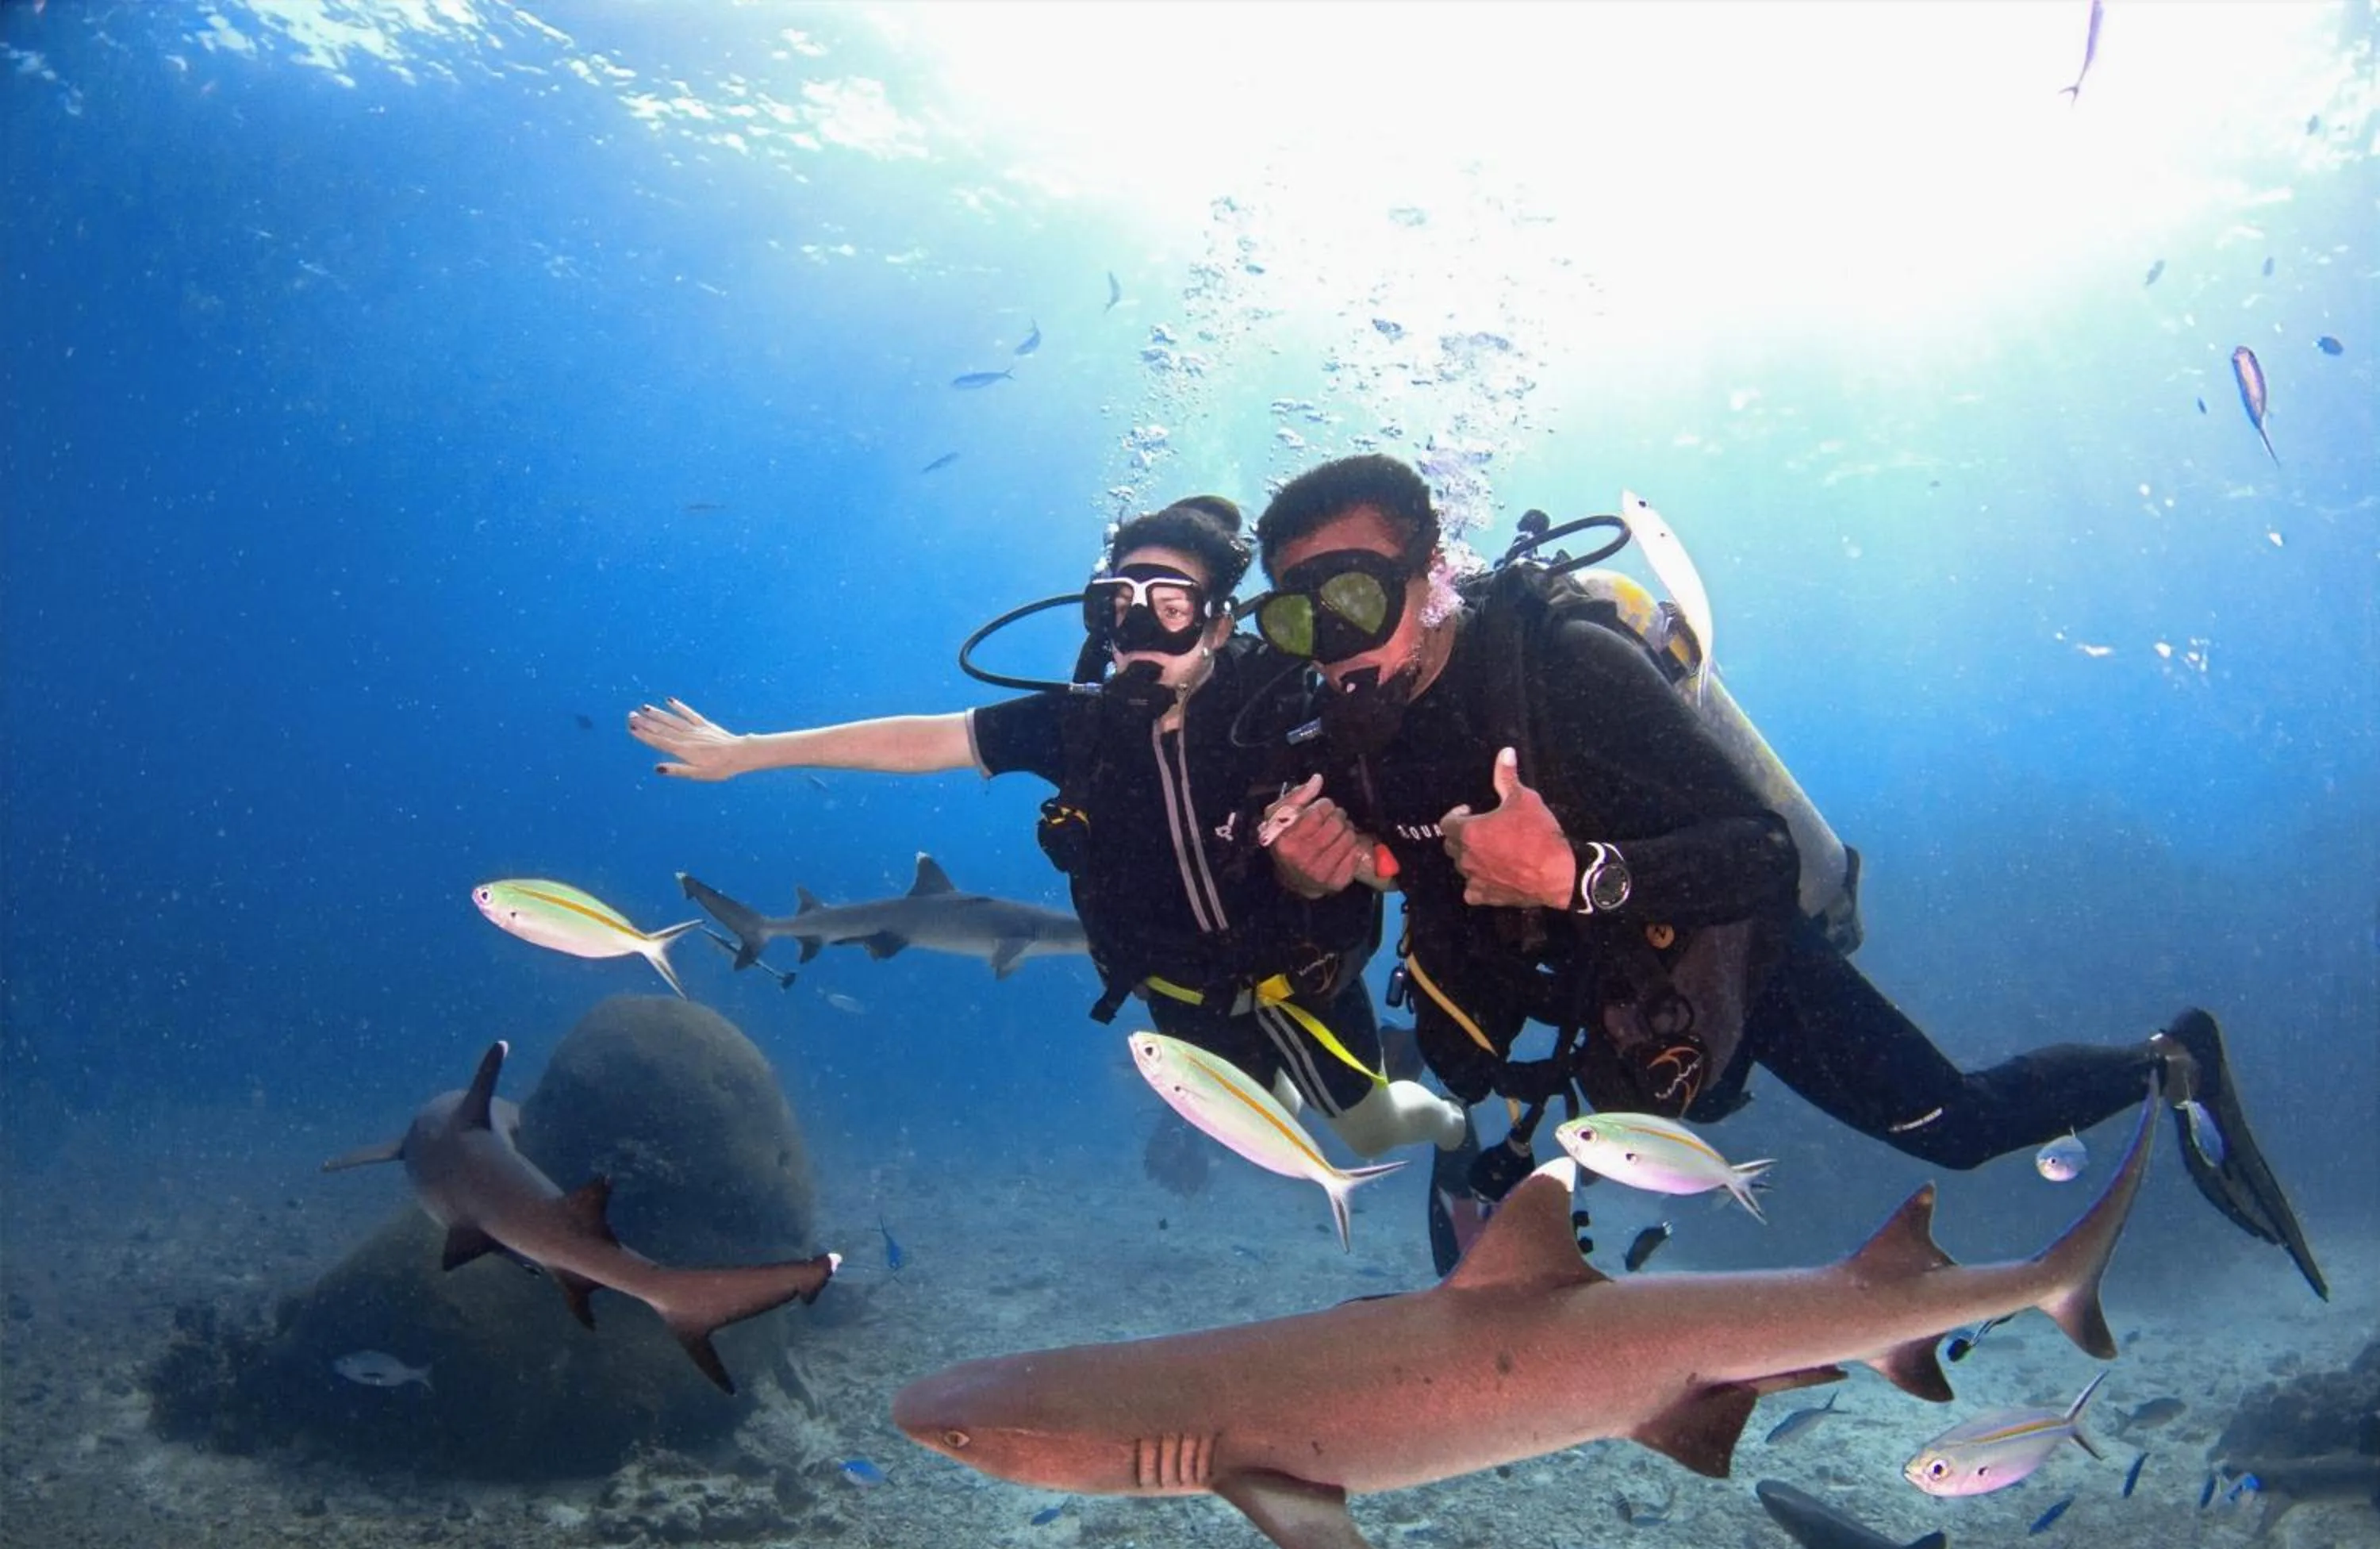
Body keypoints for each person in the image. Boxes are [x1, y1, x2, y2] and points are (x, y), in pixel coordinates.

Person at [1247, 454, 2325, 1297]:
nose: (1329, 648)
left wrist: (1578, 875)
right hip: (1578, 991)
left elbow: (1760, 855)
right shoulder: (1342, 731)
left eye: (1352, 599)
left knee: (1956, 1128)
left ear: (1432, 570)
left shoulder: (1567, 670)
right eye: (1295, 619)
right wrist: (1325, 875)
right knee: (1467, 1121)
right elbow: (1408, 876)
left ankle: (2173, 1059)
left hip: (1732, 950)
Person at [628, 494, 1466, 1162]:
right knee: (1258, 1129)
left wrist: (1358, 860)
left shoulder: (1288, 700)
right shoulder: (1079, 725)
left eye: (1170, 605)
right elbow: (927, 738)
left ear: (1218, 622)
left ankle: (1450, 1129)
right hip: (1175, 1000)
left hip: (1302, 983)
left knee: (1369, 1130)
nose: (1137, 631)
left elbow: (1408, 837)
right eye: (1115, 606)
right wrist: (749, 752)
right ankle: (1277, 1090)